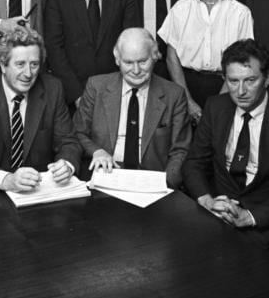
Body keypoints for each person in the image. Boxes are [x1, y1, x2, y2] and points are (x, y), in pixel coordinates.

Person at [182, 39, 269, 251]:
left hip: (264, 225)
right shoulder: (215, 107)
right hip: (216, 215)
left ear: (267, 77)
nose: (241, 91)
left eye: (250, 80)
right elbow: (194, 163)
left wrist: (250, 216)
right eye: (233, 81)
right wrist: (207, 201)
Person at [0, 26, 80, 192]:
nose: (28, 73)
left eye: (34, 64)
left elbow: (68, 142)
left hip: (41, 190)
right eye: (20, 64)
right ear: (3, 65)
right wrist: (6, 180)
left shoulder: (53, 89)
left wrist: (67, 165)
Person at [73, 28, 191, 188]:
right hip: (106, 176)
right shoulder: (96, 87)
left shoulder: (174, 95)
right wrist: (96, 151)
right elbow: (77, 132)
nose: (136, 71)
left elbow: (180, 151)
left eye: (143, 61)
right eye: (128, 63)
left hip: (153, 181)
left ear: (154, 57)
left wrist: (165, 185)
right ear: (117, 60)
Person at [158, 0, 253, 122]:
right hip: (183, 87)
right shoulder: (180, 9)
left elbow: (242, 63)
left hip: (225, 88)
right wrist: (187, 100)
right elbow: (171, 58)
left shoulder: (241, 13)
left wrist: (219, 104)